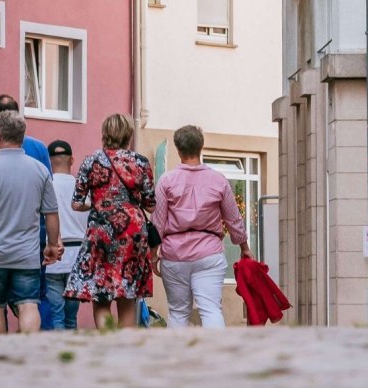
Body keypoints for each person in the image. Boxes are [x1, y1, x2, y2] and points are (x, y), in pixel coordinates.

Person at [0, 111, 63, 335]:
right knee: (29, 304)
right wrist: (52, 244)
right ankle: (27, 348)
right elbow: (51, 213)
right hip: (27, 254)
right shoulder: (39, 170)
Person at [65, 114, 157, 330]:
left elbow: (77, 203)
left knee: (101, 295)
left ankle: (107, 341)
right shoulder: (140, 162)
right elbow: (151, 205)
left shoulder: (91, 161)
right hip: (132, 231)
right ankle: (124, 344)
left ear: (105, 133)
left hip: (101, 231)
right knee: (127, 294)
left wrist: (100, 204)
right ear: (128, 134)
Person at [154, 125, 250, 329]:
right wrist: (244, 247)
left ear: (178, 150)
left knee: (178, 312)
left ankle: (176, 350)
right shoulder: (218, 180)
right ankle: (215, 349)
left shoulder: (166, 181)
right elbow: (233, 219)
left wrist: (153, 254)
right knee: (211, 309)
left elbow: (158, 222)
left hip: (174, 255)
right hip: (209, 254)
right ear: (201, 147)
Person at [43, 140, 88, 330]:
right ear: (72, 160)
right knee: (71, 318)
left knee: (56, 316)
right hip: (77, 256)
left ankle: (58, 347)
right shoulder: (82, 188)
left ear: (49, 160)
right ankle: (72, 347)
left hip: (53, 254)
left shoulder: (46, 185)